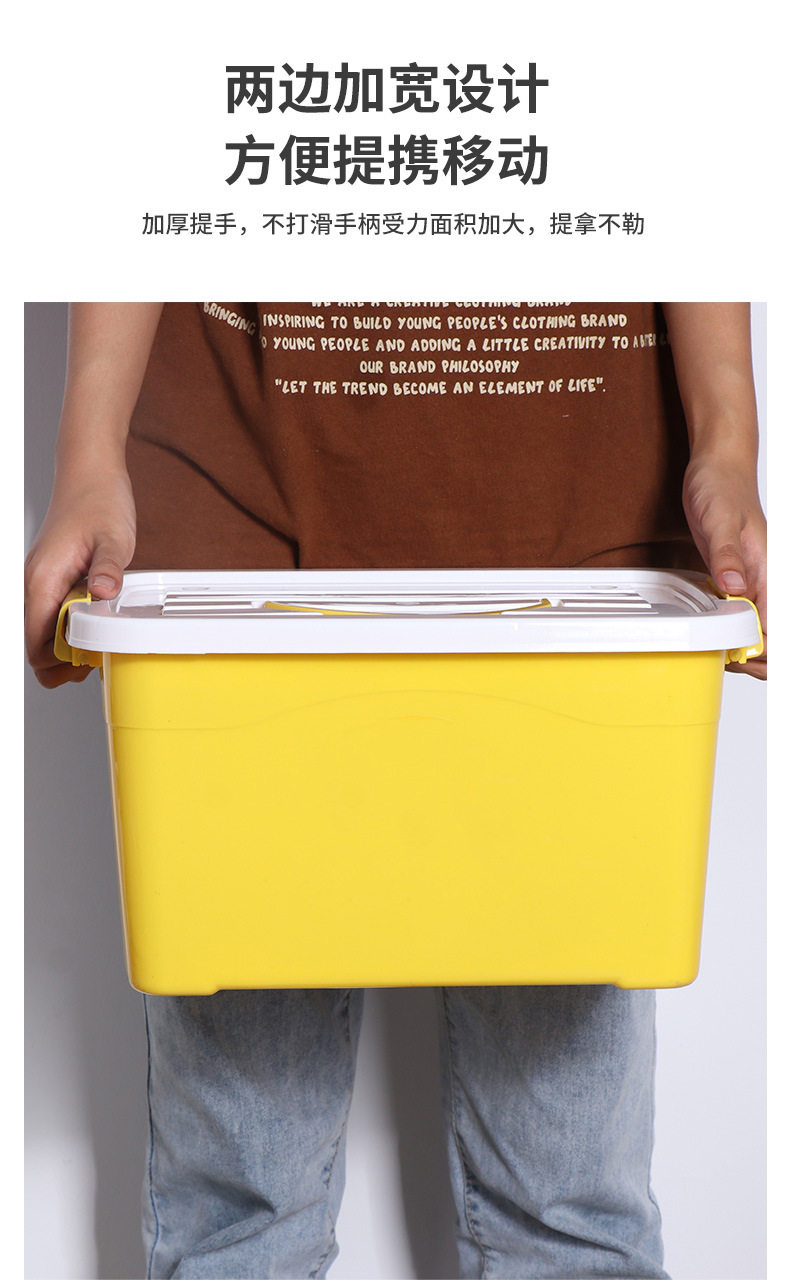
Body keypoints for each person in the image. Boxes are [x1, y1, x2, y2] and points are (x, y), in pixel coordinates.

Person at [24, 302, 767, 1280]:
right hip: (242, 464)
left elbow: (686, 193)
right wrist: (87, 456)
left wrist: (728, 442)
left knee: (566, 1200)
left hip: (570, 473)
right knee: (243, 1213)